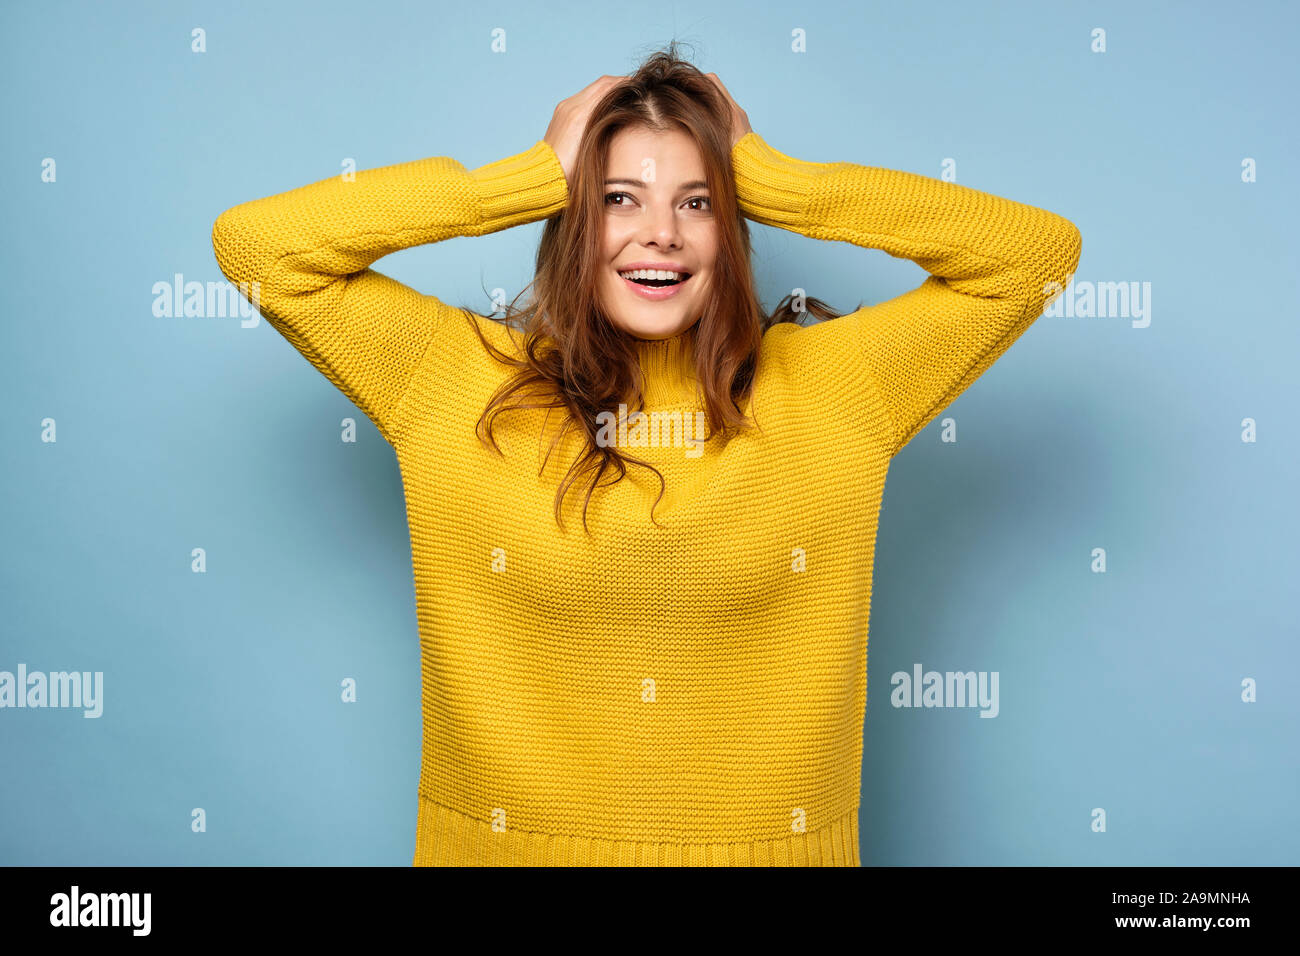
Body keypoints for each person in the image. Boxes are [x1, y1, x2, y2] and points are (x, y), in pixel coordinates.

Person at [211, 44, 1081, 866]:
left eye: (697, 201)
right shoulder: (451, 380)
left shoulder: (840, 386)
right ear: (573, 219)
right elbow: (260, 251)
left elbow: (1034, 256)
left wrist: (780, 179)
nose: (658, 232)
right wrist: (526, 179)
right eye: (618, 198)